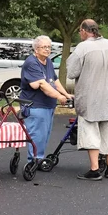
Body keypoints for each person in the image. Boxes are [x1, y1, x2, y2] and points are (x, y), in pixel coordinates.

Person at [66, 19, 108, 180]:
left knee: (91, 132)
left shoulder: (83, 47)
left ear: (84, 30)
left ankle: (94, 169)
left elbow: (72, 72)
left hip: (90, 97)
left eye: (79, 31)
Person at [19, 35, 71, 165]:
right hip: (35, 105)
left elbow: (55, 81)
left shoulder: (48, 62)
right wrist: (59, 97)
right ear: (36, 49)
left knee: (44, 135)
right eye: (44, 47)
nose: (47, 50)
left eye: (49, 47)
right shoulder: (31, 63)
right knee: (37, 136)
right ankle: (33, 161)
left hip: (48, 105)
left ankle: (39, 159)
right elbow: (42, 85)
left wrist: (67, 95)